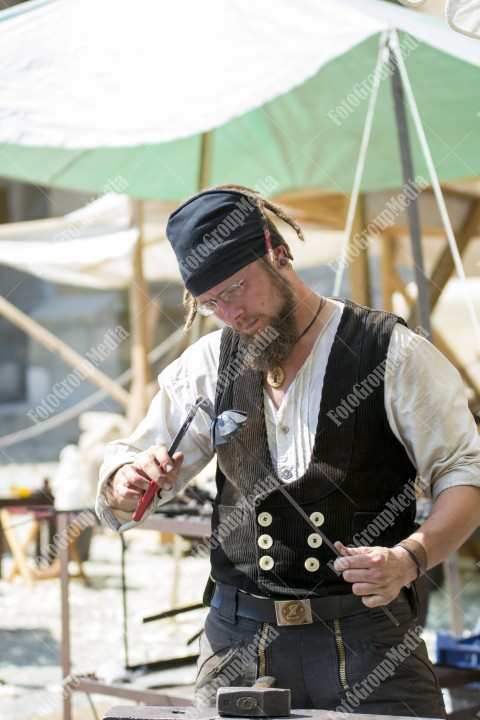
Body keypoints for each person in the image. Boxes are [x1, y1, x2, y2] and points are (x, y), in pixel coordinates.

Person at [96, 184, 480, 717]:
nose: (230, 313)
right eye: (210, 304)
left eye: (236, 289)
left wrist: (410, 558)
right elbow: (126, 469)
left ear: (278, 254)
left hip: (370, 642)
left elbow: (465, 473)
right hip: (237, 642)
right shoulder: (209, 363)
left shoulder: (390, 351)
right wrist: (127, 478)